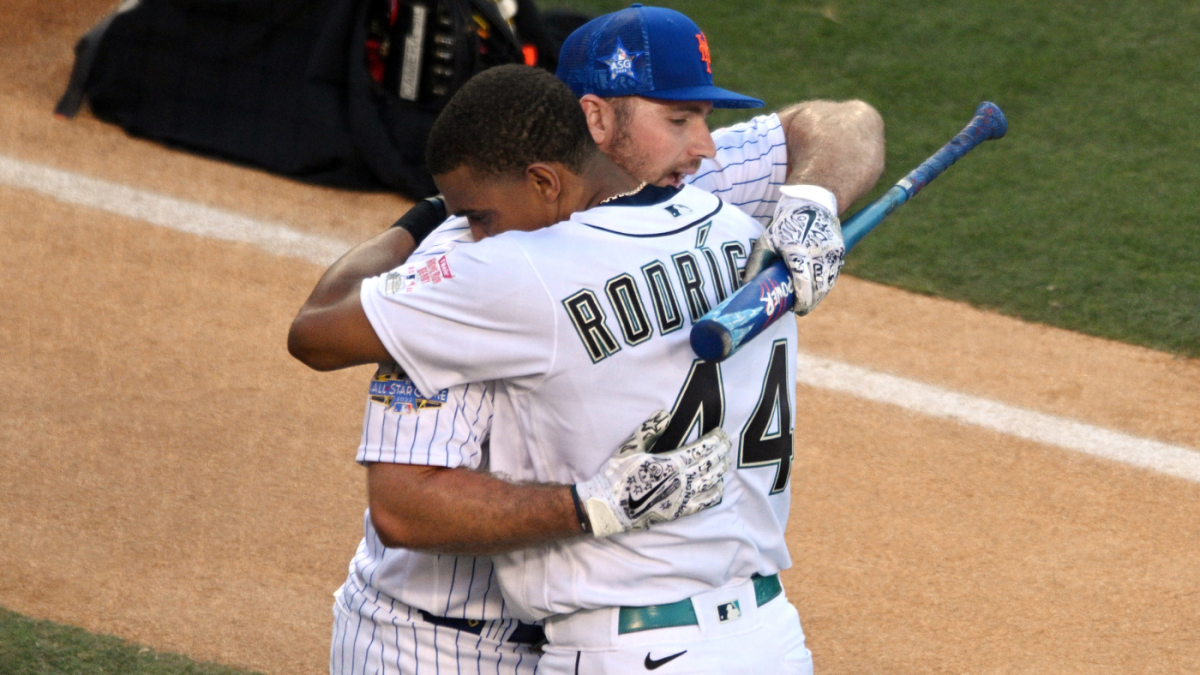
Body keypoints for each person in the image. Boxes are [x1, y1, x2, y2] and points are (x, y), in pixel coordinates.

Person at [292, 6, 883, 673]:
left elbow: (848, 122)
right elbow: (401, 500)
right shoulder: (475, 260)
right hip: (439, 640)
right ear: (596, 121)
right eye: (679, 119)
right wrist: (440, 216)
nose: (706, 147)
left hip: (610, 634)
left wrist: (814, 199)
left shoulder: (688, 185)